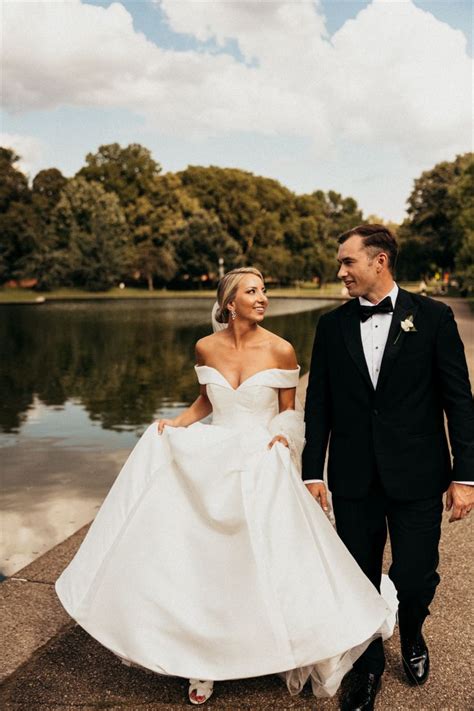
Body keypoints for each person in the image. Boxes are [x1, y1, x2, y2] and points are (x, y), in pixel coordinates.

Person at [56, 267, 396, 706]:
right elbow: (206, 400)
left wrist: (282, 437)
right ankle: (202, 661)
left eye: (265, 290)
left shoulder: (281, 349)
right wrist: (172, 425)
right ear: (228, 304)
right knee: (203, 560)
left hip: (259, 460)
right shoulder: (204, 347)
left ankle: (271, 642)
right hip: (211, 459)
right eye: (252, 291)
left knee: (258, 559)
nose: (262, 298)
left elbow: (290, 412)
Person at [302, 225, 474, 711]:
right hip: (354, 477)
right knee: (358, 573)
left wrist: (465, 476)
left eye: (347, 262)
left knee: (418, 573)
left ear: (380, 261)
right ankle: (369, 663)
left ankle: (414, 632)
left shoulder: (434, 318)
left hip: (419, 474)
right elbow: (319, 406)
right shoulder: (331, 326)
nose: (340, 272)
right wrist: (312, 473)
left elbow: (459, 401)